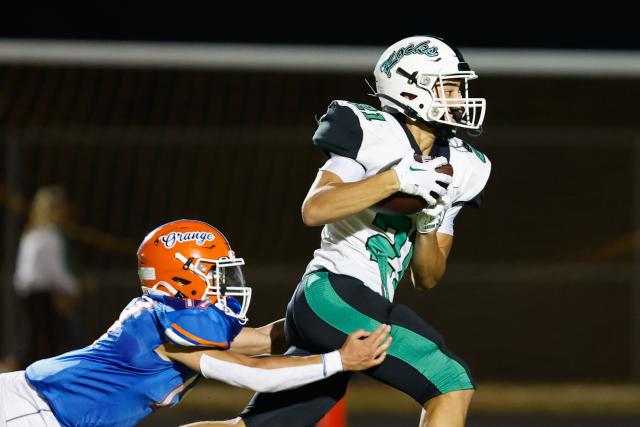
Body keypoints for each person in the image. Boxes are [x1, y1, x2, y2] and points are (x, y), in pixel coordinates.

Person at [195, 35, 492, 427]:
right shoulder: (372, 131)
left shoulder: (464, 166)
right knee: (450, 381)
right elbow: (315, 208)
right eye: (449, 88)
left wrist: (427, 222)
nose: (458, 99)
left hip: (349, 310)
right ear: (412, 86)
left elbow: (428, 276)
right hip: (334, 295)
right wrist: (395, 179)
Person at [0, 219, 392, 427]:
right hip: (31, 410)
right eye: (215, 270)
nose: (226, 280)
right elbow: (255, 373)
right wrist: (340, 360)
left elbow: (261, 339)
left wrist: (326, 311)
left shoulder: (170, 312)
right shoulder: (171, 321)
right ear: (183, 274)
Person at [12, 186, 80, 369]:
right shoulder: (51, 235)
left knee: (30, 340)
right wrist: (75, 287)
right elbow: (55, 271)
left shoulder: (31, 234)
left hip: (27, 294)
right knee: (50, 343)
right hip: (44, 294)